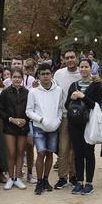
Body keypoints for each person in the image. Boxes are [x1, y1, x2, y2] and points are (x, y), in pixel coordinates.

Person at [64, 58, 102, 195]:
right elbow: (66, 105)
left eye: (86, 66)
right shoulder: (73, 85)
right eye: (82, 66)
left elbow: (97, 105)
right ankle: (79, 181)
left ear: (91, 68)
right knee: (78, 154)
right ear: (79, 68)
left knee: (89, 153)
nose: (84, 69)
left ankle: (89, 183)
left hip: (89, 123)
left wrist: (83, 96)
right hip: (75, 124)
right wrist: (72, 98)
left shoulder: (96, 85)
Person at [25, 63, 63, 195]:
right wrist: (40, 119)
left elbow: (60, 108)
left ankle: (46, 180)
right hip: (39, 127)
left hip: (53, 126)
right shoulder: (33, 92)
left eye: (48, 73)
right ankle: (39, 181)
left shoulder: (58, 90)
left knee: (49, 153)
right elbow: (29, 111)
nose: (46, 76)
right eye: (43, 74)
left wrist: (58, 120)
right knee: (41, 153)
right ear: (39, 76)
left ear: (51, 74)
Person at [52, 49, 81, 189]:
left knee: (75, 149)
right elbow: (52, 91)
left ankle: (74, 175)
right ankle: (62, 177)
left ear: (77, 58)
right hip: (64, 115)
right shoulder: (58, 74)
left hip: (79, 117)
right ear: (64, 59)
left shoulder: (83, 73)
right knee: (63, 148)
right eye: (67, 57)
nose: (70, 60)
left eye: (72, 57)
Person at [0, 67, 30, 190]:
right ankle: (11, 177)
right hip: (9, 126)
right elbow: (0, 110)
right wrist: (11, 119)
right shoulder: (5, 92)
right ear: (11, 78)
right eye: (14, 77)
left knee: (20, 152)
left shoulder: (27, 92)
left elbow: (31, 109)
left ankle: (18, 178)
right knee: (11, 152)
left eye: (19, 77)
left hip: (23, 126)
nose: (17, 79)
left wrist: (25, 120)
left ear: (22, 78)